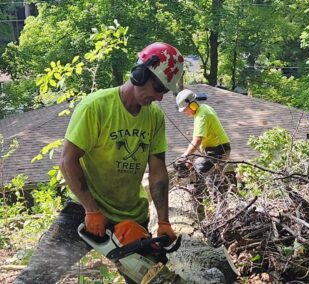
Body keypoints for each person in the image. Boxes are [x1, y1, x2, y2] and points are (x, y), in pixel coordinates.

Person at [15, 42, 184, 284]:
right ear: (140, 74)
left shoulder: (154, 117)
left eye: (163, 92)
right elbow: (67, 160)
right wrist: (91, 209)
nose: (158, 97)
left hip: (131, 216)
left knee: (157, 280)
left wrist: (164, 220)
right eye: (157, 88)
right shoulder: (95, 107)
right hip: (84, 209)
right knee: (35, 278)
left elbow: (157, 171)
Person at [175, 89, 233, 192]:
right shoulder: (204, 108)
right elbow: (201, 142)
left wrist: (184, 156)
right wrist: (189, 159)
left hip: (219, 150)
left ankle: (199, 200)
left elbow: (197, 140)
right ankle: (219, 202)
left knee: (199, 168)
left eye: (185, 109)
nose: (185, 112)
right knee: (214, 180)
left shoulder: (201, 116)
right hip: (215, 150)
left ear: (192, 105)